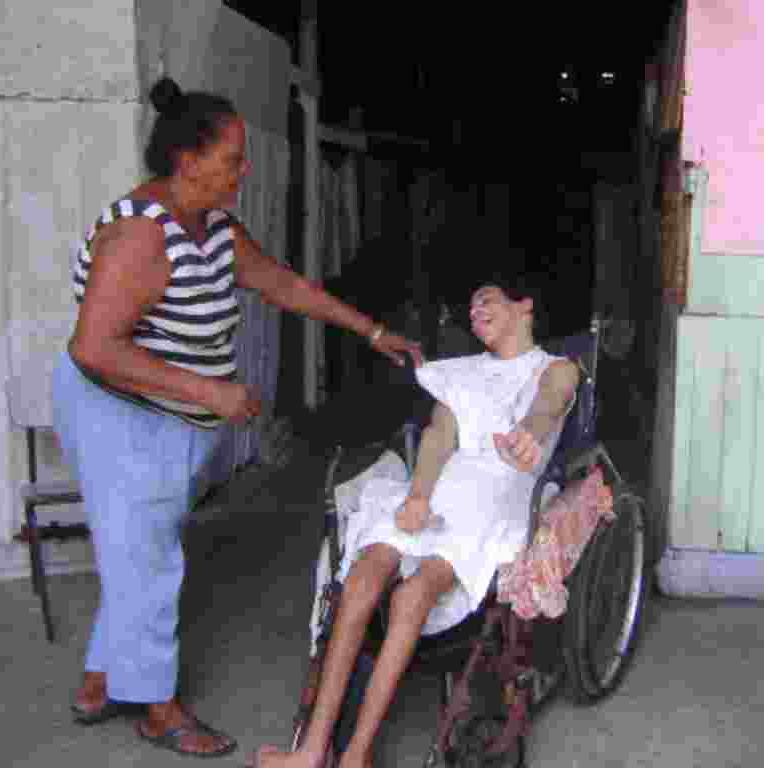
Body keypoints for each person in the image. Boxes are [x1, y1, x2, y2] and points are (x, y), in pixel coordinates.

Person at [52, 76, 423, 759]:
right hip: (116, 412)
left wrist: (370, 332)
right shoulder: (141, 235)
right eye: (233, 157)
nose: (244, 169)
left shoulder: (212, 225)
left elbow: (281, 284)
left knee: (140, 545)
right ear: (187, 162)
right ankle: (155, 706)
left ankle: (104, 676)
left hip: (171, 415)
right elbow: (93, 347)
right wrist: (208, 390)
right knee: (153, 560)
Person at [254, 276, 579, 768]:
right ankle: (314, 748)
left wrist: (529, 434)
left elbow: (548, 404)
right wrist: (420, 496)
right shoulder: (462, 372)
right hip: (440, 488)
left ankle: (356, 756)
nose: (475, 312)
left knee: (412, 595)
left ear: (525, 307)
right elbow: (437, 437)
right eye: (471, 306)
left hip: (494, 500)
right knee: (362, 577)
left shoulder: (554, 369)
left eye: (485, 299)